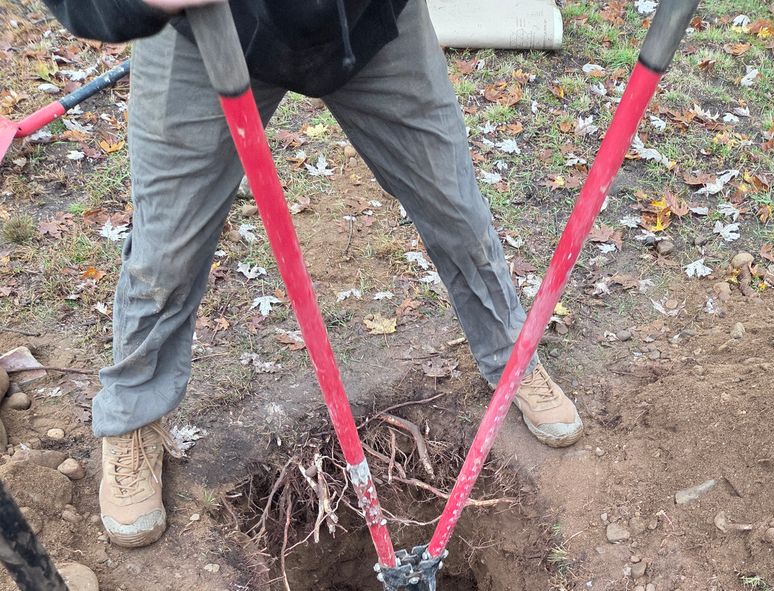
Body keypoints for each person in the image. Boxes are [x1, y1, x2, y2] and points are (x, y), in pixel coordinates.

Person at [44, 0, 583, 548]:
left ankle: (513, 356)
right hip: (204, 32)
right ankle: (134, 413)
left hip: (369, 20)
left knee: (456, 211)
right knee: (167, 250)